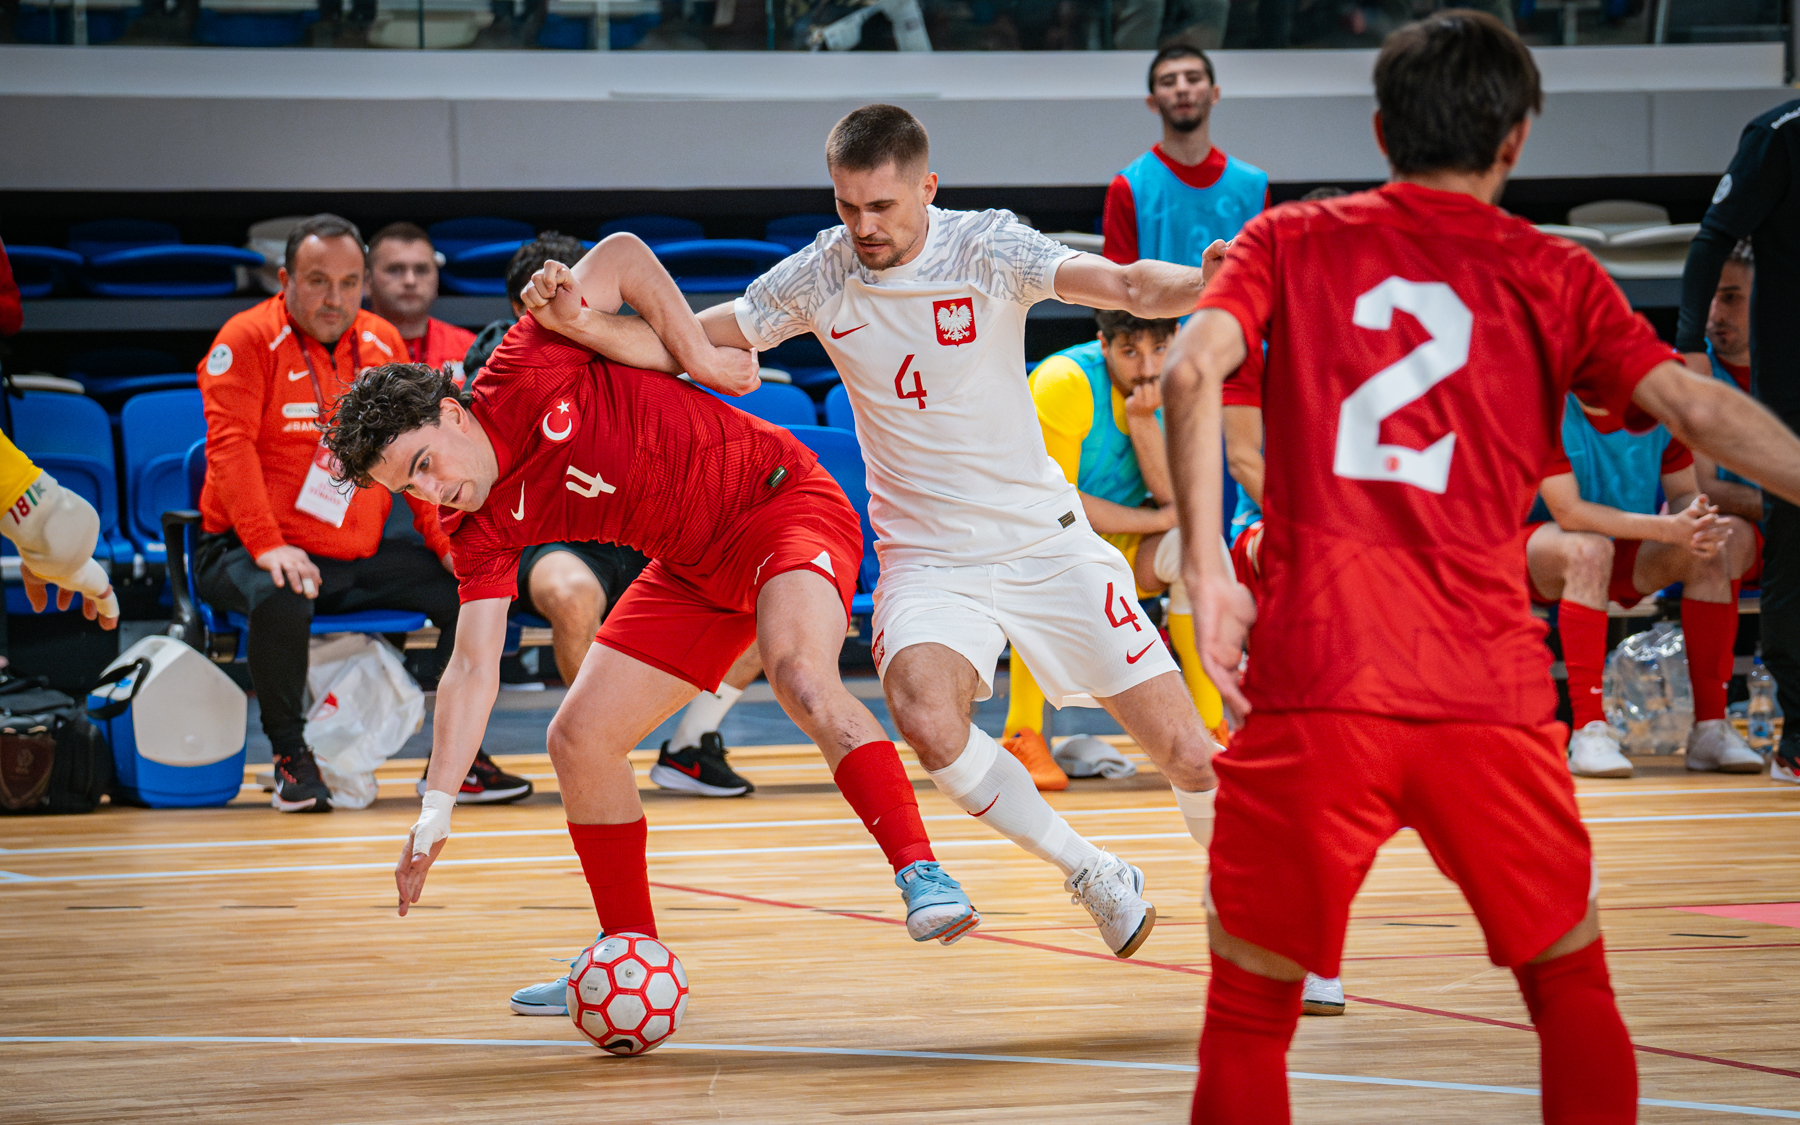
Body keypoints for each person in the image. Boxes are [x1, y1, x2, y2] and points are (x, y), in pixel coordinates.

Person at [1161, 12, 1800, 1123]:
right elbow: (1698, 408)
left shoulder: (1287, 239)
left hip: (1319, 679)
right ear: (1515, 140)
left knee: (1250, 1016)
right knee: (1571, 991)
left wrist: (1211, 573)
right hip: (1485, 692)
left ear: (1381, 131)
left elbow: (1187, 372)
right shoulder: (1555, 272)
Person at [326, 233, 985, 1016]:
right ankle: (626, 950)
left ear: (450, 413)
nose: (431, 492)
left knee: (800, 672)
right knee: (578, 738)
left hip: (781, 504)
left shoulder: (521, 366)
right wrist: (435, 808)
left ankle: (922, 873)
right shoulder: (478, 528)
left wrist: (699, 360)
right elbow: (471, 667)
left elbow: (623, 255)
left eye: (424, 464)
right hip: (691, 567)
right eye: (408, 488)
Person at [679, 104, 1223, 960]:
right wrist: (587, 324)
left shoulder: (986, 247)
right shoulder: (821, 273)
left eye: (882, 207)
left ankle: (1267, 918)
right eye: (847, 206)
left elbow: (1123, 285)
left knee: (1189, 752)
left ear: (927, 187)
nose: (863, 227)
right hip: (929, 561)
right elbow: (697, 335)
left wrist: (1203, 283)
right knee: (926, 717)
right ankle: (1091, 869)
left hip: (1045, 543)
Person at [195, 213, 528, 813]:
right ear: (285, 280)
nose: (335, 297)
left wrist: (447, 544)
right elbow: (229, 452)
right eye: (318, 281)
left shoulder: (381, 340)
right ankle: (291, 757)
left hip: (353, 552)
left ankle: (458, 759)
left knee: (468, 589)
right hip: (247, 548)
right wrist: (268, 545)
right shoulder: (243, 339)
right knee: (280, 593)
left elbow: (420, 460)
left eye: (349, 282)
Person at [465, 232, 764, 799]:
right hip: (558, 536)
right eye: (549, 292)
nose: (569, 301)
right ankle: (600, 749)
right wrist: (694, 357)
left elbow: (697, 353)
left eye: (582, 289)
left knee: (766, 588)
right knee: (573, 595)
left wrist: (688, 355)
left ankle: (690, 747)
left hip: (643, 525)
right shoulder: (502, 362)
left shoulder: (622, 335)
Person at [1005, 310, 1227, 791]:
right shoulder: (1065, 382)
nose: (1146, 368)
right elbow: (1054, 507)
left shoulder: (1183, 381)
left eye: (1159, 349)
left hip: (1117, 544)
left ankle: (1212, 732)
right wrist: (1160, 521)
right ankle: (1022, 734)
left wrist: (1143, 421)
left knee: (1199, 550)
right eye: (1130, 352)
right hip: (1037, 539)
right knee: (1047, 557)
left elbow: (1173, 498)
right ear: (1103, 344)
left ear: (1177, 338)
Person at [1528, 402, 1762, 778]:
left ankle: (1710, 729)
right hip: (1536, 546)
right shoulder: (1546, 406)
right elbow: (1569, 512)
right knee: (1589, 549)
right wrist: (1667, 528)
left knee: (1712, 548)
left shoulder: (1656, 407)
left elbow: (1684, 492)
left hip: (1625, 541)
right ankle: (1589, 730)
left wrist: (1696, 520)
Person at [1676, 97, 1800, 787]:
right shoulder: (1779, 136)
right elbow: (1713, 236)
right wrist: (1688, 343)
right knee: (1796, 548)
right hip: (1792, 391)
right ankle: (1798, 736)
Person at [1103, 45, 1268, 269]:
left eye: (1193, 79)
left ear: (1214, 94)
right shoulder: (1127, 187)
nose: (1182, 89)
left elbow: (1266, 278)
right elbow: (1117, 284)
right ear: (1152, 102)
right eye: (1168, 82)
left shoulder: (1254, 186)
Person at [364, 223, 477, 382]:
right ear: (367, 281)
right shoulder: (345, 347)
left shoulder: (470, 348)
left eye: (421, 270)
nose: (410, 281)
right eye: (395, 269)